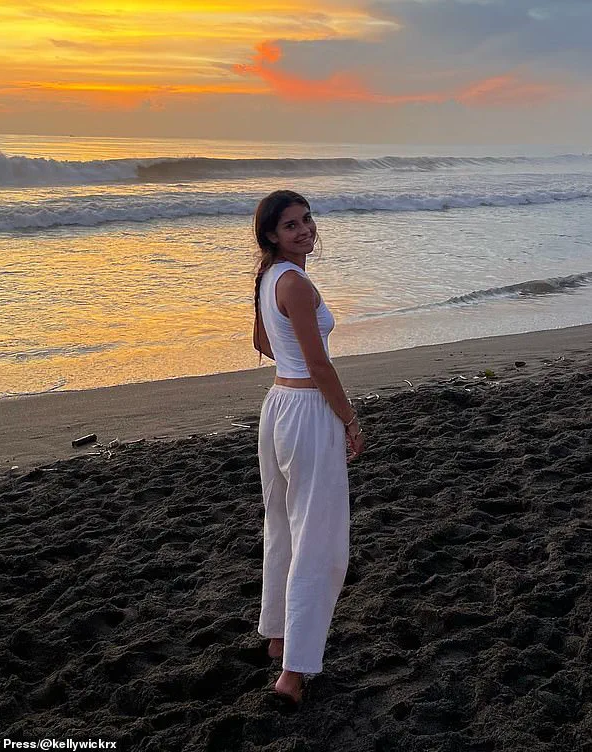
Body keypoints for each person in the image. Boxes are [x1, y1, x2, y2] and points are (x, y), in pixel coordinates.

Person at [252, 189, 364, 704]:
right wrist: (349, 418)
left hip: (279, 404)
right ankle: (292, 674)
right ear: (272, 234)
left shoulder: (269, 275)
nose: (304, 230)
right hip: (306, 409)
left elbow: (262, 342)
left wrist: (293, 361)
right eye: (291, 225)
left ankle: (279, 638)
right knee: (318, 539)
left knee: (283, 526)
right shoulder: (294, 283)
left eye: (307, 219)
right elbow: (320, 365)